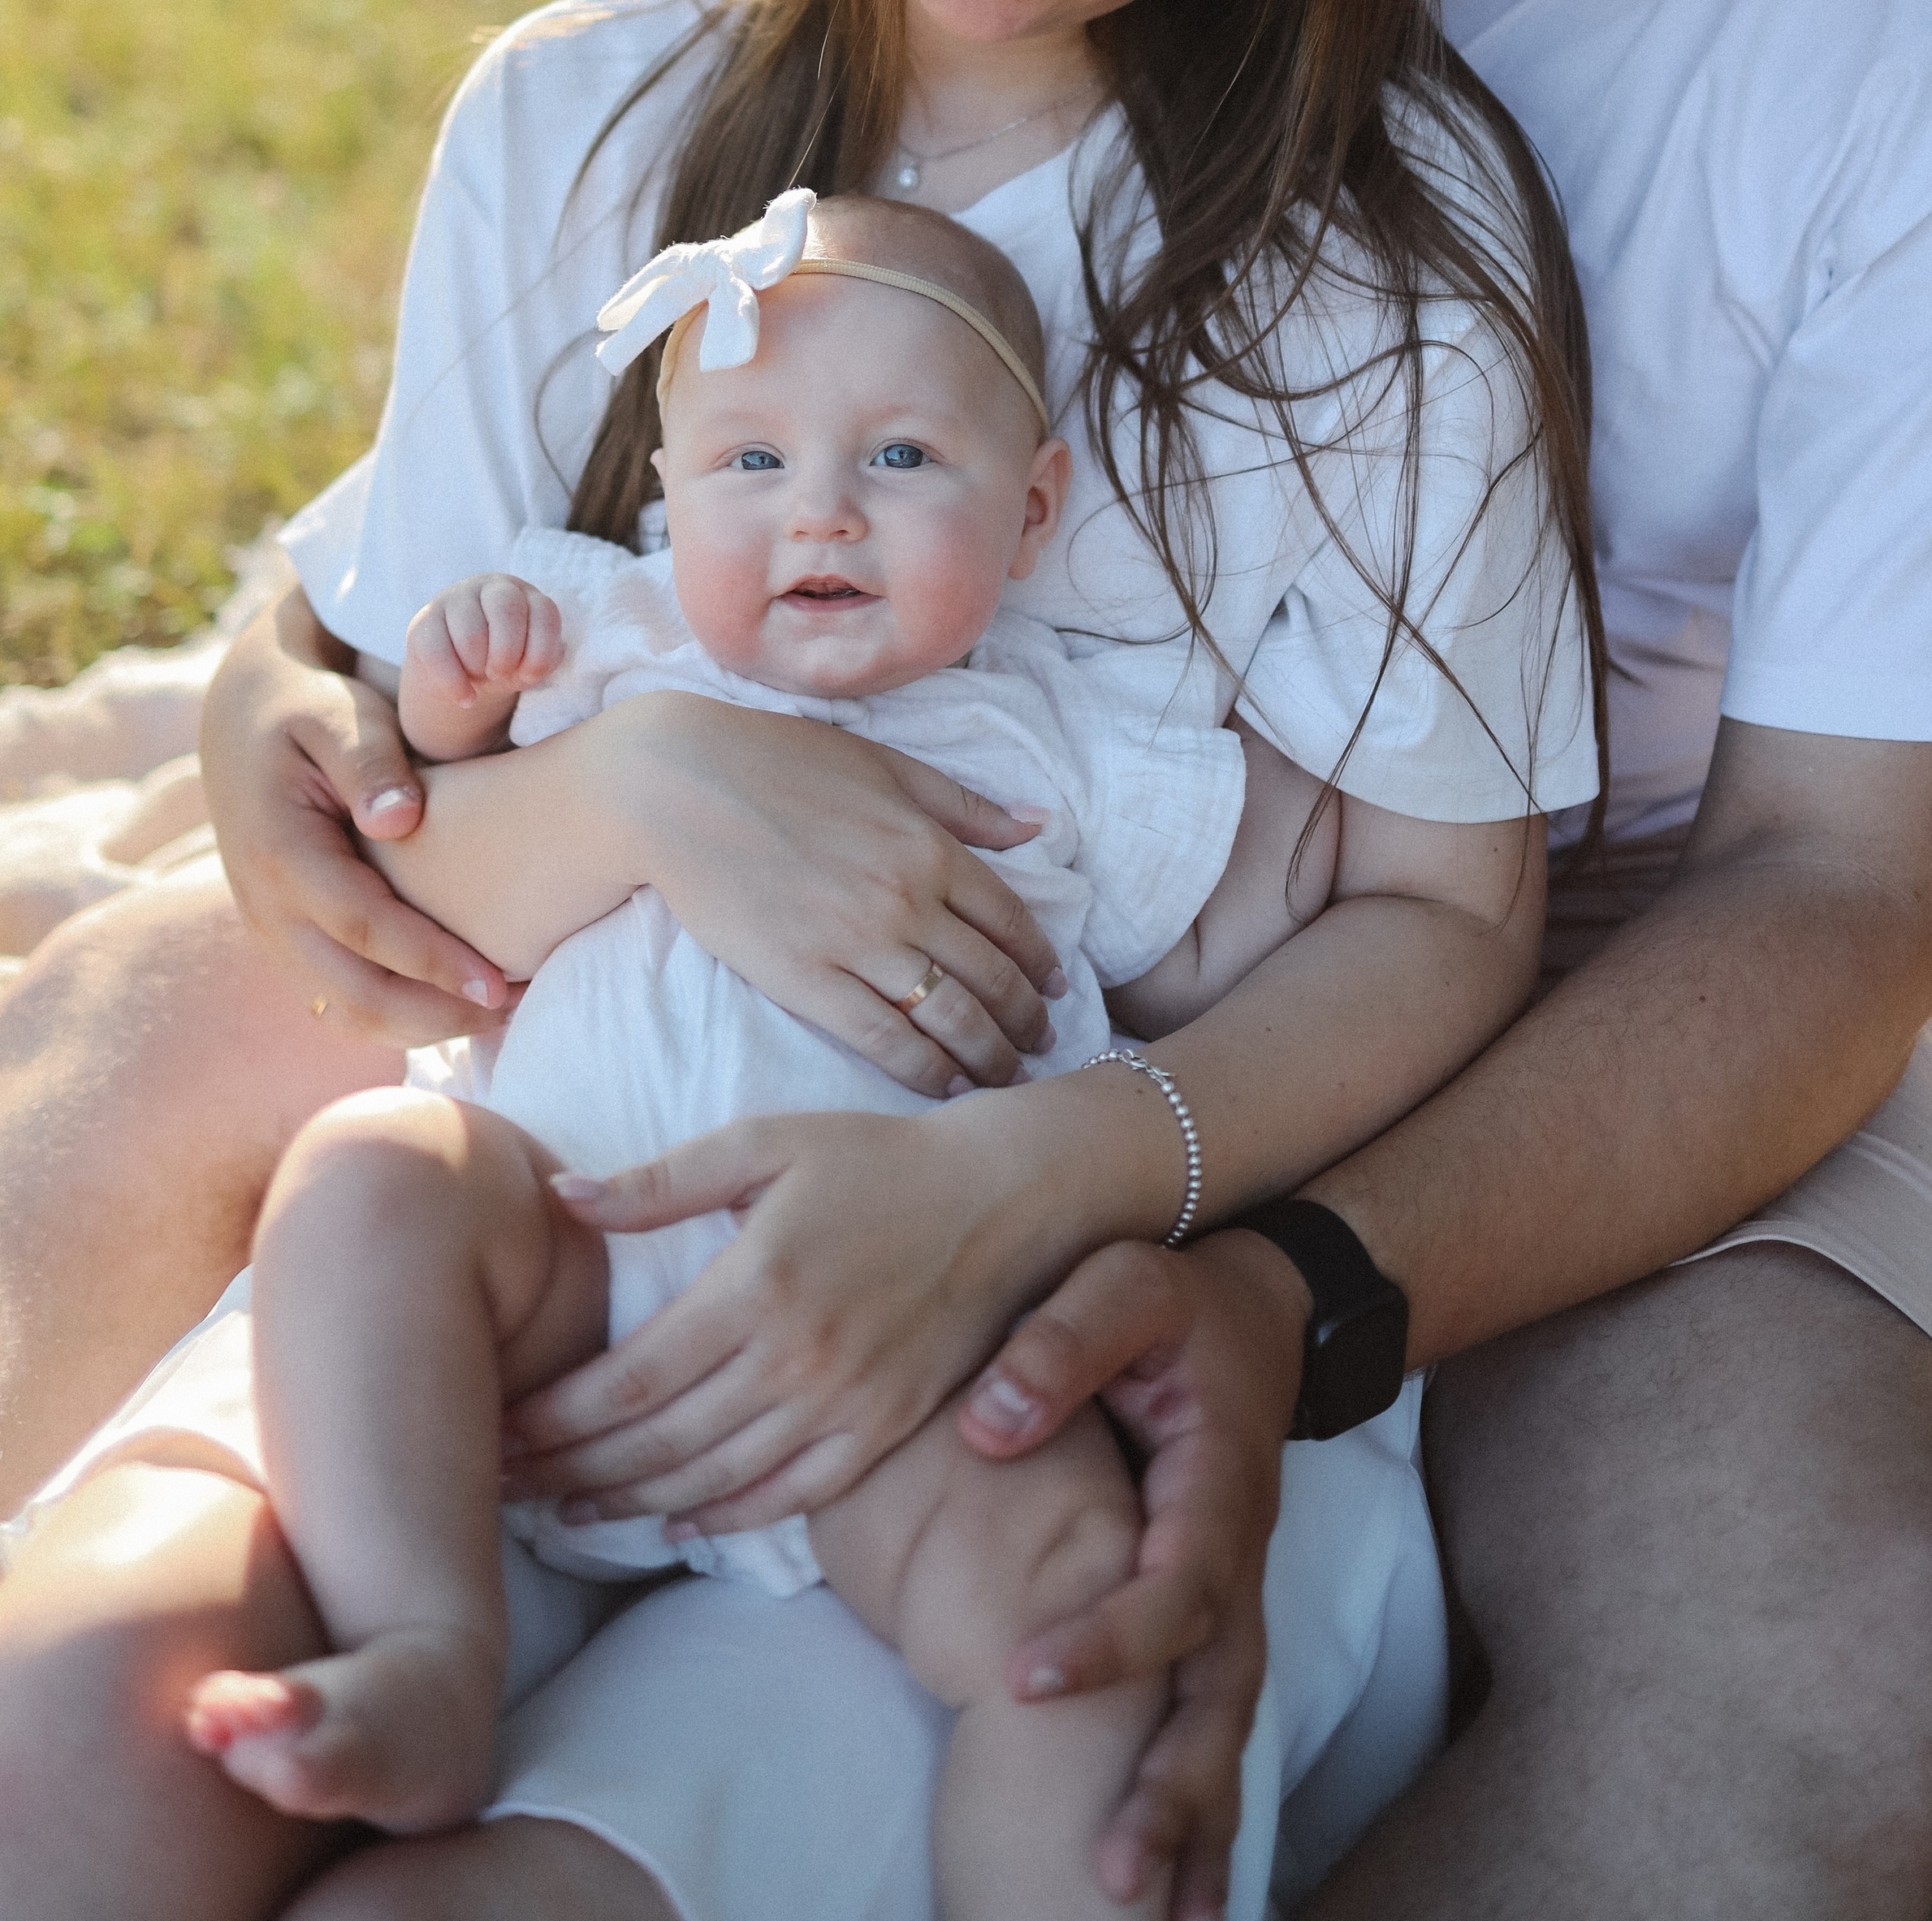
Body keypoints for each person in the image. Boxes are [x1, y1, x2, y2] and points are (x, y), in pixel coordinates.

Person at [0, 0, 1599, 1920]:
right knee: (19, 1817)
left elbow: (1452, 922)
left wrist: (1038, 1174)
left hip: (1028, 1334)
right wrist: (663, 777)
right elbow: (398, 812)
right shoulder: (583, 121)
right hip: (530, 1255)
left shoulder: (1370, 269)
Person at [936, 0, 1932, 1917]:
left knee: (1838, 1702)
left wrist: (1303, 1292)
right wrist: (296, 678)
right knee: (154, 1067)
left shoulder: (1894, 50)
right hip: (984, 830)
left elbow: (1841, 896)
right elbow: (735, 210)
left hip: (1621, 1004)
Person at [90, 186, 1536, 1921]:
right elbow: (422, 814)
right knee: (367, 1187)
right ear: (663, 495)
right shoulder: (605, 634)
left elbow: (1283, 919)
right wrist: (460, 697)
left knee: (1073, 1604)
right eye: (749, 464)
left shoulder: (1074, 731)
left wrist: (1347, 794)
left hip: (900, 1338)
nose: (819, 512)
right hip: (566, 1257)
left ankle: (1050, 1879)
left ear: (1032, 508)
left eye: (904, 459)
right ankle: (423, 1647)